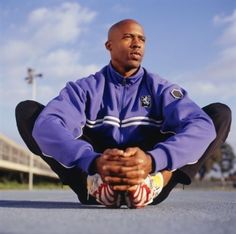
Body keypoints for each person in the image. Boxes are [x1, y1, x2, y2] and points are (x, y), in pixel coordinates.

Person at [15, 19, 231, 208]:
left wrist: (152, 160)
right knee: (29, 112)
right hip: (94, 172)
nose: (137, 43)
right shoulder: (85, 88)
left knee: (218, 114)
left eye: (142, 39)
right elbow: (48, 125)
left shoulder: (161, 88)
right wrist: (93, 161)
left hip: (147, 173)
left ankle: (155, 184)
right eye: (128, 37)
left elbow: (200, 125)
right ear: (109, 45)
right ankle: (93, 186)